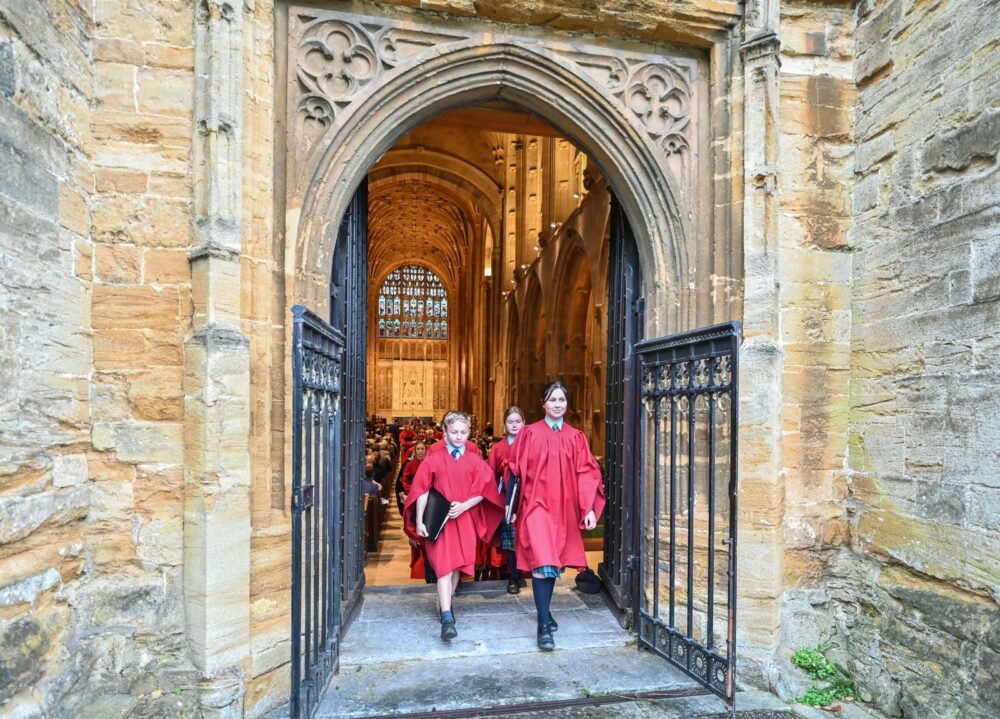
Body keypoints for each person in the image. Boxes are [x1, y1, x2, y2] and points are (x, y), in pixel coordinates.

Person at [508, 381, 605, 652]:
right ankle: (542, 627)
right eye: (553, 400)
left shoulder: (576, 437)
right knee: (542, 561)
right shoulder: (529, 434)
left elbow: (587, 473)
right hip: (536, 507)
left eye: (562, 400)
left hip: (563, 509)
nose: (558, 404)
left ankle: (545, 610)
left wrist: (588, 508)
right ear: (543, 404)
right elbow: (514, 470)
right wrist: (512, 508)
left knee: (552, 563)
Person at [404, 411, 504, 641]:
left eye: (463, 432)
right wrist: (419, 520)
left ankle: (446, 603)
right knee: (444, 567)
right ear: (445, 432)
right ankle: (447, 617)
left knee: (456, 566)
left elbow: (485, 490)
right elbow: (421, 490)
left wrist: (465, 505)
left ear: (469, 432)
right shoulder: (434, 458)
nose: (459, 436)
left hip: (464, 519)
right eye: (454, 432)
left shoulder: (474, 459)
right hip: (440, 521)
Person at [487, 406, 527, 594]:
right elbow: (491, 475)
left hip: (527, 499)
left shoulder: (531, 444)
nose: (514, 425)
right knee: (510, 540)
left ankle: (524, 573)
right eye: (510, 422)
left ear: (524, 423)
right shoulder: (498, 448)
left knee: (526, 538)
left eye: (518, 421)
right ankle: (513, 577)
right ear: (504, 425)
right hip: (507, 499)